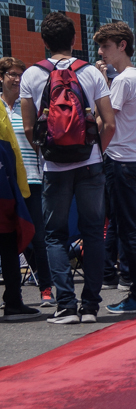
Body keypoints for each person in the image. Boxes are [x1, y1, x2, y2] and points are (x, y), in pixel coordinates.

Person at [93, 21, 136, 315]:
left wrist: (98, 151)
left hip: (119, 159)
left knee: (129, 229)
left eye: (106, 46)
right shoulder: (132, 78)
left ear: (122, 46)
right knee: (132, 228)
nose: (101, 52)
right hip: (129, 158)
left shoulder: (124, 80)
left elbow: (106, 121)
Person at [1, 57, 53, 308]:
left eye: (20, 75)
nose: (17, 79)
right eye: (12, 74)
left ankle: (46, 288)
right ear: (1, 78)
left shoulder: (28, 107)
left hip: (32, 179)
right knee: (9, 238)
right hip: (5, 185)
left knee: (38, 236)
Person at [0, 91, 40, 320]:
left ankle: (14, 300)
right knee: (7, 244)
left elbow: (11, 148)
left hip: (5, 185)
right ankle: (13, 301)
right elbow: (10, 148)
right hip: (5, 184)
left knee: (8, 243)